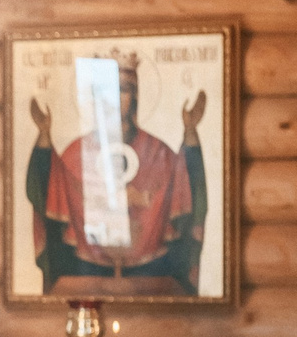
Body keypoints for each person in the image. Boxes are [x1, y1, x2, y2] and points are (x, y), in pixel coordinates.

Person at [26, 53, 208, 295]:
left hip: (151, 271)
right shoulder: (76, 153)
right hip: (87, 270)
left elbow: (188, 185)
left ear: (135, 97)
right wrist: (44, 135)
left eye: (122, 90)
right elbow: (46, 186)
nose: (113, 97)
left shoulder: (158, 152)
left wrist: (191, 133)